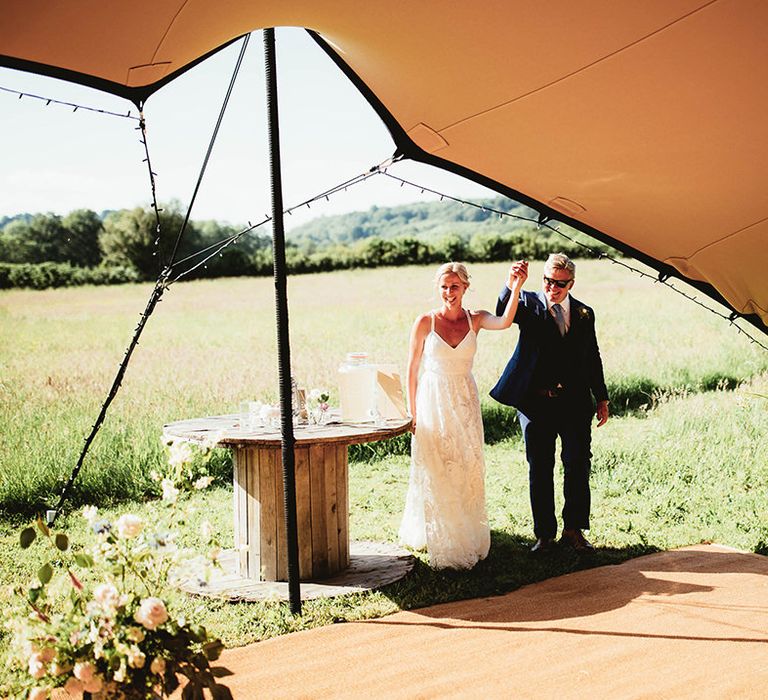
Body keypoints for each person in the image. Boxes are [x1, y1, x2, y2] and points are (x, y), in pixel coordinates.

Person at [399, 260, 528, 569]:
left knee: (466, 466)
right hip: (433, 400)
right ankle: (441, 534)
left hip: (465, 400)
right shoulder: (425, 322)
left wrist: (515, 286)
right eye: (444, 287)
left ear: (465, 288)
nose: (449, 292)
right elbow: (412, 368)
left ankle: (466, 529)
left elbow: (505, 322)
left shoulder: (476, 320)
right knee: (438, 465)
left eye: (454, 286)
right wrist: (412, 411)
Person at [490, 253, 609, 554]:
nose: (552, 287)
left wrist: (602, 397)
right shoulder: (528, 303)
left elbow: (592, 355)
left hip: (575, 403)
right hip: (535, 404)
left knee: (578, 464)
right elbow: (504, 311)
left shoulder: (585, 313)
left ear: (571, 283)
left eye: (559, 283)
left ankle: (574, 531)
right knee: (540, 468)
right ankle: (544, 535)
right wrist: (512, 283)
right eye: (547, 280)